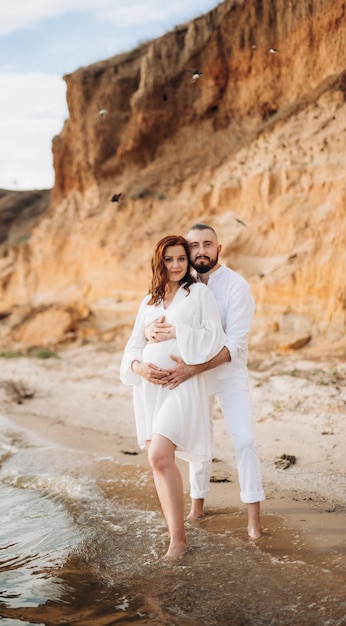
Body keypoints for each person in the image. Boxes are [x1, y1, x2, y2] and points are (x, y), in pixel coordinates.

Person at [147, 224, 265, 539]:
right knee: (198, 442)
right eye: (194, 245)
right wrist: (149, 333)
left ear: (218, 248)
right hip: (190, 375)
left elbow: (235, 345)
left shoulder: (236, 286)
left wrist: (194, 368)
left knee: (243, 440)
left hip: (227, 372)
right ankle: (197, 506)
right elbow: (158, 320)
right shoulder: (181, 286)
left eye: (207, 244)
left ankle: (253, 520)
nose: (201, 251)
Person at [120, 234, 225, 559]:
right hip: (150, 389)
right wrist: (140, 369)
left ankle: (178, 542)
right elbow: (132, 349)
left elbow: (215, 338)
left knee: (158, 456)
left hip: (181, 385)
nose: (177, 265)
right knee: (159, 461)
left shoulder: (199, 294)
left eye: (182, 258)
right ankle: (175, 535)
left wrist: (179, 331)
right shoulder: (148, 303)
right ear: (159, 262)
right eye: (170, 259)